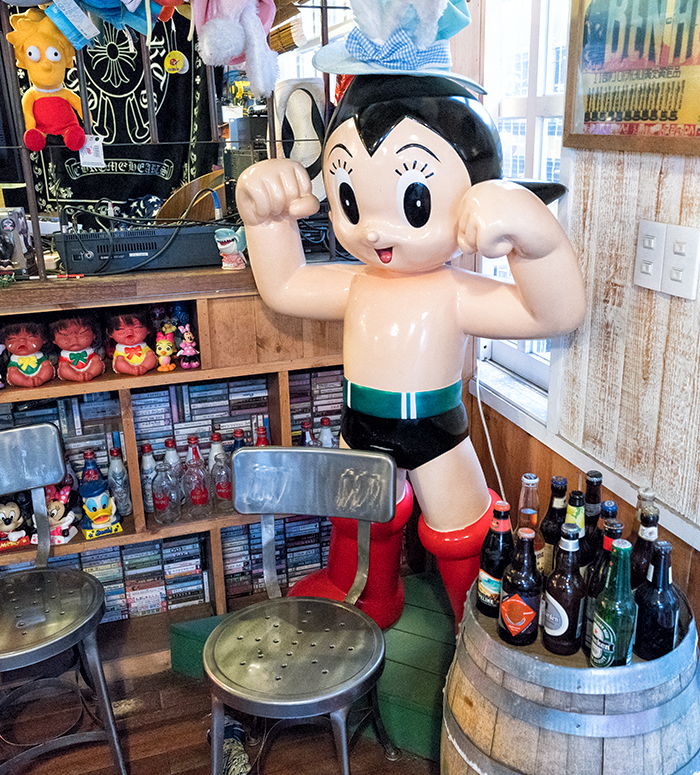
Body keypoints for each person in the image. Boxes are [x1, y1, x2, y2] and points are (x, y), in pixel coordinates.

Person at [238, 69, 586, 623]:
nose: (374, 233)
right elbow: (285, 285)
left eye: (414, 201)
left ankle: (479, 631)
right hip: (361, 422)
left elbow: (554, 313)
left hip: (436, 431)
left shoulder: (454, 291)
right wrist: (264, 219)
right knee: (357, 517)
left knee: (462, 532)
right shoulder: (359, 283)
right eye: (349, 199)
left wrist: (537, 239)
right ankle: (365, 595)